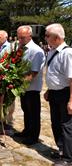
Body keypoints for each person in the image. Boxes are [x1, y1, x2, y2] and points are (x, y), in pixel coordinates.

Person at [43, 23, 72, 165]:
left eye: (47, 35)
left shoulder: (67, 53)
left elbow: (71, 78)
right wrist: (49, 89)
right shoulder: (53, 51)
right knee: (55, 123)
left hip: (65, 93)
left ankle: (68, 158)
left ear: (56, 37)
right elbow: (54, 74)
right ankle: (61, 151)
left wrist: (71, 101)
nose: (45, 38)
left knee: (66, 125)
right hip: (54, 93)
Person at [14, 25, 45, 145]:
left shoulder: (36, 50)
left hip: (32, 88)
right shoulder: (21, 47)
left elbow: (34, 72)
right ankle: (27, 131)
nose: (20, 40)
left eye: (22, 37)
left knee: (33, 113)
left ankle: (33, 136)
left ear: (30, 36)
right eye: (19, 37)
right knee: (26, 110)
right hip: (23, 86)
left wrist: (20, 83)